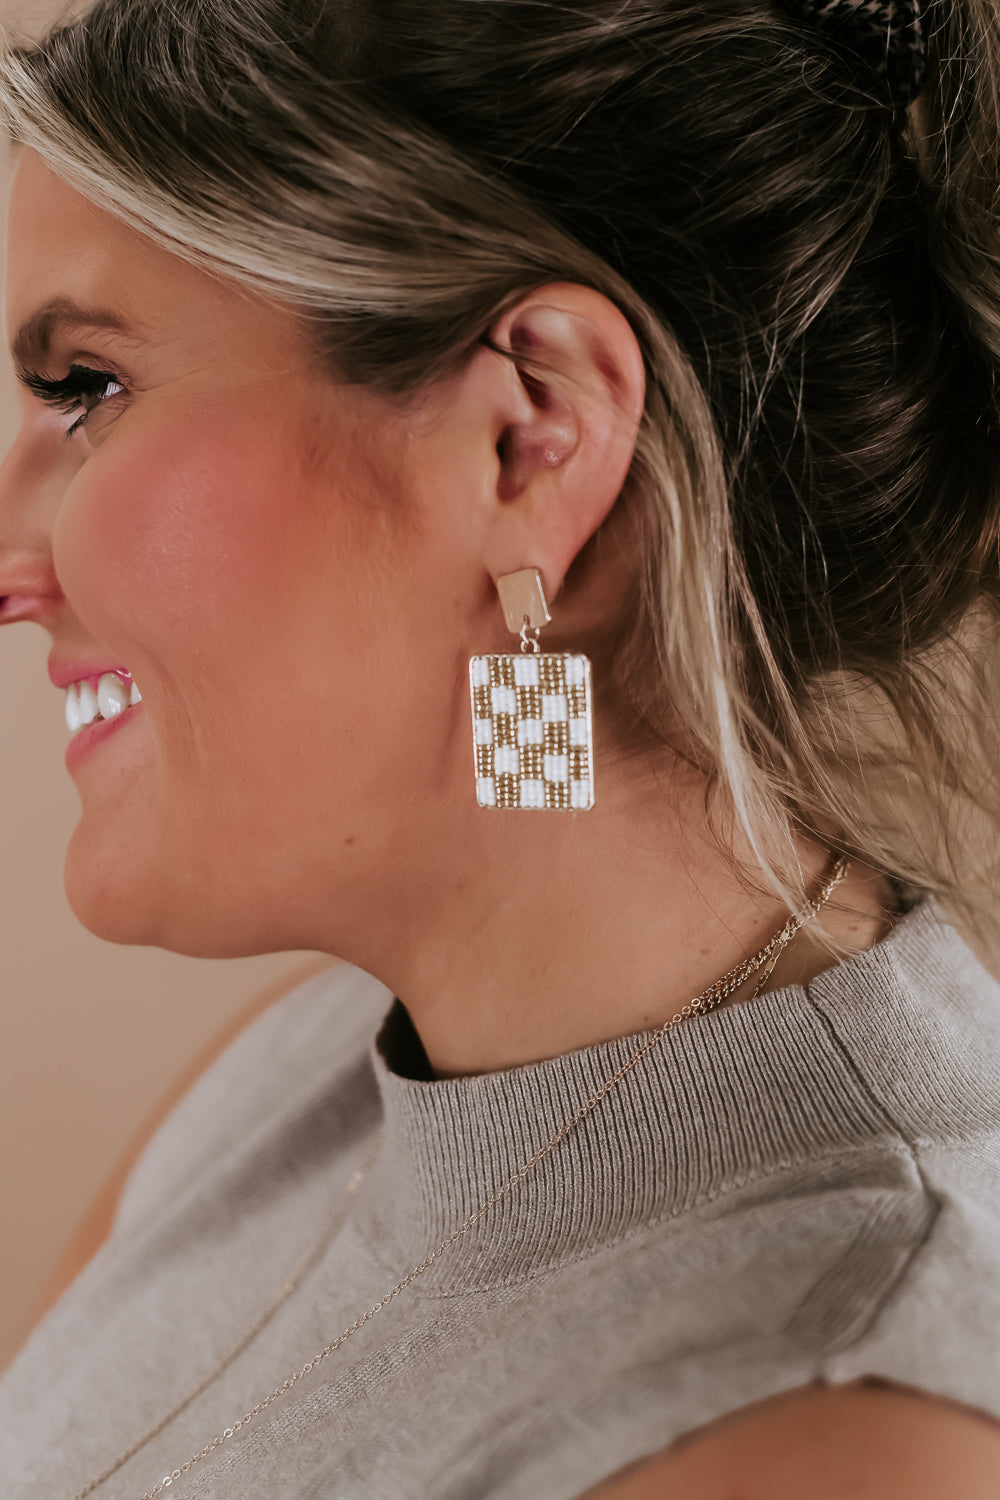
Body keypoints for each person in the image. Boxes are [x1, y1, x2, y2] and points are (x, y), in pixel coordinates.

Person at [0, 0, 998, 1494]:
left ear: (530, 443)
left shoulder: (833, 1431)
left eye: (90, 389)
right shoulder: (293, 1086)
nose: (13, 564)